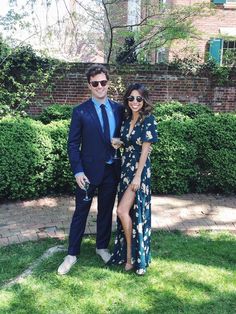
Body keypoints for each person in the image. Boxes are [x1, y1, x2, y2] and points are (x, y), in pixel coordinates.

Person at [58, 64, 124, 275]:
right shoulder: (80, 111)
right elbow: (72, 144)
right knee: (81, 212)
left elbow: (125, 136)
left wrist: (120, 142)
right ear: (89, 85)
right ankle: (72, 253)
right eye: (95, 83)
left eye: (103, 82)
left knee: (106, 212)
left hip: (111, 171)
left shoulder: (118, 109)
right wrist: (78, 171)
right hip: (86, 173)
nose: (99, 86)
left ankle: (102, 247)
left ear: (108, 83)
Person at [109, 83, 158, 275]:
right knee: (128, 212)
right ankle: (131, 255)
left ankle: (131, 257)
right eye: (131, 98)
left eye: (138, 98)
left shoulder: (148, 120)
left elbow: (145, 150)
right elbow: (130, 144)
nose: (135, 102)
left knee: (122, 211)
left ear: (144, 100)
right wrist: (119, 143)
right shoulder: (127, 118)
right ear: (127, 100)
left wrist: (137, 177)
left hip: (139, 172)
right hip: (125, 170)